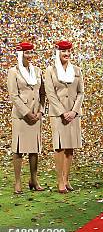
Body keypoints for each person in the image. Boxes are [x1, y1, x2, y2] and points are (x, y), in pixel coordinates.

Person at [44, 41, 85, 193]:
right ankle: (60, 181)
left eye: (68, 51)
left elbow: (81, 92)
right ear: (58, 52)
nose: (66, 54)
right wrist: (62, 112)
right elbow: (50, 93)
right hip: (58, 114)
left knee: (70, 147)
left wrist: (74, 111)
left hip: (74, 114)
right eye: (63, 51)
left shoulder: (77, 70)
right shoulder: (50, 70)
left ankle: (67, 179)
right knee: (60, 147)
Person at [7, 42, 45, 194]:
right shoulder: (13, 72)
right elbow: (13, 95)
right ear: (20, 54)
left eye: (31, 53)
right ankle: (17, 182)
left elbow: (43, 93)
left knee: (34, 149)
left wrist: (40, 111)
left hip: (36, 115)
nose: (29, 56)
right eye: (26, 53)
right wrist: (26, 112)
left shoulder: (37, 71)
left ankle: (34, 180)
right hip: (21, 116)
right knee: (18, 149)